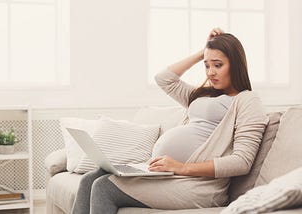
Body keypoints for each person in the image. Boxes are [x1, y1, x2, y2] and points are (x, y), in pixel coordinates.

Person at [71, 28, 269, 214]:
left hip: (197, 185)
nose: (210, 72)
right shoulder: (202, 95)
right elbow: (164, 78)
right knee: (91, 178)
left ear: (236, 64)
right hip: (166, 174)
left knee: (104, 187)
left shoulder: (247, 101)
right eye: (207, 65)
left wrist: (181, 167)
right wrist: (205, 51)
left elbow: (241, 162)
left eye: (218, 65)